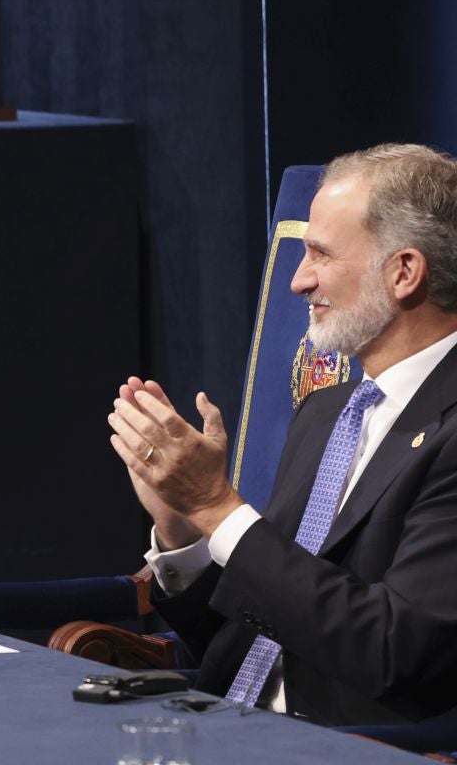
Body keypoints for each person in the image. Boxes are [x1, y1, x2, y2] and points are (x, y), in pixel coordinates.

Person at [110, 144, 457, 726]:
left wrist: (217, 506)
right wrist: (183, 530)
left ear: (404, 272)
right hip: (225, 728)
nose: (297, 282)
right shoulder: (328, 411)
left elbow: (392, 651)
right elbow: (255, 631)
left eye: (320, 254)